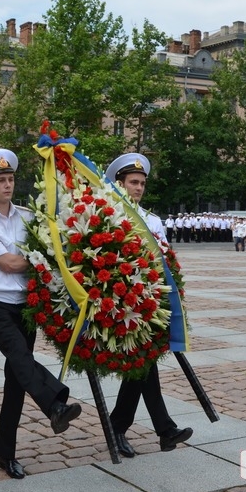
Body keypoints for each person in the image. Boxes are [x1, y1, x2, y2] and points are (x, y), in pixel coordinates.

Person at [0, 148, 81, 479]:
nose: (7, 185)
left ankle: (6, 454)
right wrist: (45, 256)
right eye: (0, 180)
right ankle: (55, 404)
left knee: (17, 381)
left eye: (11, 179)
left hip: (25, 306)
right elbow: (10, 263)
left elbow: (53, 241)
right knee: (20, 358)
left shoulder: (28, 216)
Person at [103, 153, 193, 458]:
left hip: (151, 306)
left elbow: (166, 259)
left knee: (141, 366)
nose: (138, 188)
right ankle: (162, 428)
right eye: (133, 182)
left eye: (141, 183)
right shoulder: (110, 218)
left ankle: (122, 427)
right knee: (141, 364)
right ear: (120, 184)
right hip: (122, 305)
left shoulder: (153, 221)